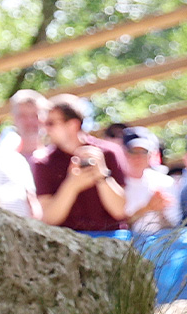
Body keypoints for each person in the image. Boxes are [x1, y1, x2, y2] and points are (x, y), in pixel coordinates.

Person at [32, 94, 129, 235]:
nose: (46, 129)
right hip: (67, 244)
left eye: (51, 123)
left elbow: (120, 211)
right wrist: (72, 185)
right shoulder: (43, 162)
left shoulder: (108, 153)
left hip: (111, 241)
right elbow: (48, 219)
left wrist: (102, 176)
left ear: (73, 125)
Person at [120, 128, 178, 235]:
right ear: (124, 153)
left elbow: (174, 227)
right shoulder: (116, 184)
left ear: (150, 155)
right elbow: (117, 226)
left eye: (143, 152)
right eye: (133, 151)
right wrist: (148, 208)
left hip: (160, 244)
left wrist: (161, 211)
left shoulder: (165, 182)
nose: (138, 157)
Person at [9, 89, 49, 158]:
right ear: (14, 120)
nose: (30, 121)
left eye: (35, 115)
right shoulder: (7, 160)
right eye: (23, 116)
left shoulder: (57, 159)